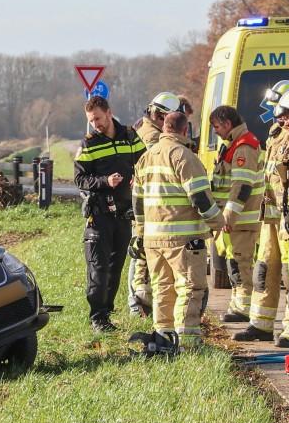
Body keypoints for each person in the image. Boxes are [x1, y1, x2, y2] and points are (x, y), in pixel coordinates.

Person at [130, 111, 225, 351]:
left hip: (152, 239)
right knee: (189, 287)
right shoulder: (184, 156)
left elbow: (137, 201)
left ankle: (164, 338)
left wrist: (140, 232)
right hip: (182, 239)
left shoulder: (146, 157)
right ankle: (188, 343)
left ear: (164, 128)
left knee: (162, 287)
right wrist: (218, 222)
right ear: (185, 130)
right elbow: (200, 197)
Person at [75, 95, 146, 333]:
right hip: (100, 214)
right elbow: (79, 178)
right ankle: (97, 317)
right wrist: (105, 181)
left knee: (116, 267)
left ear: (108, 112)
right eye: (91, 120)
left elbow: (144, 161)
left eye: (97, 118)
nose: (95, 124)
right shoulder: (89, 144)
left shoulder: (129, 136)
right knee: (98, 267)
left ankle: (106, 313)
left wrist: (140, 177)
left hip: (124, 213)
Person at [235, 80, 289, 347]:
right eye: (278, 114)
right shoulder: (274, 135)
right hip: (271, 217)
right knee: (264, 269)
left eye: (284, 114)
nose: (280, 119)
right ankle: (260, 324)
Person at [128, 91, 185, 315]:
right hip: (150, 202)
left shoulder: (142, 127)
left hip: (146, 200)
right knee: (140, 253)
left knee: (141, 251)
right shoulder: (152, 137)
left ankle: (141, 305)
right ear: (161, 116)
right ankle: (137, 306)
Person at [208, 105, 263, 323]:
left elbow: (242, 187)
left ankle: (243, 309)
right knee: (234, 265)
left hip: (242, 220)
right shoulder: (232, 145)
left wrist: (227, 218)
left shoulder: (244, 147)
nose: (216, 132)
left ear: (228, 124)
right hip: (235, 221)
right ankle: (238, 304)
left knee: (242, 265)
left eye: (217, 127)